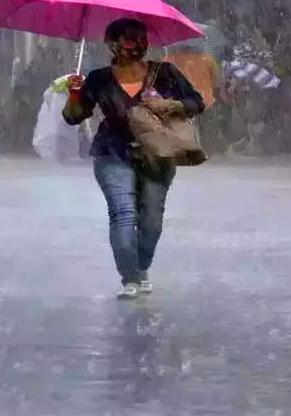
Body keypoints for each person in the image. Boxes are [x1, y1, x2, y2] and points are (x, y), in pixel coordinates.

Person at [62, 18, 205, 299]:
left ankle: (140, 268)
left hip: (157, 156)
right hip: (111, 154)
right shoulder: (99, 78)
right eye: (129, 39)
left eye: (141, 38)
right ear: (112, 44)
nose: (137, 45)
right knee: (123, 215)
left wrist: (171, 105)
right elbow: (73, 117)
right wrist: (75, 94)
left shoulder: (165, 74)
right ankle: (129, 277)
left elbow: (196, 103)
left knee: (151, 221)